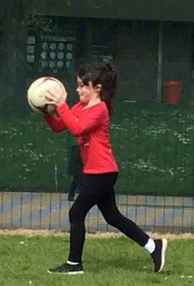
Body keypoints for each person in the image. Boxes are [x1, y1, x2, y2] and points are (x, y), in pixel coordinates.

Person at [42, 63, 167, 275]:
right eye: (78, 86)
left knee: (76, 212)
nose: (78, 90)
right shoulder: (80, 108)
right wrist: (46, 111)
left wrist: (62, 105)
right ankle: (154, 247)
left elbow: (78, 128)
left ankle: (74, 264)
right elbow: (59, 126)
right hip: (95, 172)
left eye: (83, 86)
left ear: (97, 88)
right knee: (113, 217)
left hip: (102, 172)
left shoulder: (99, 110)